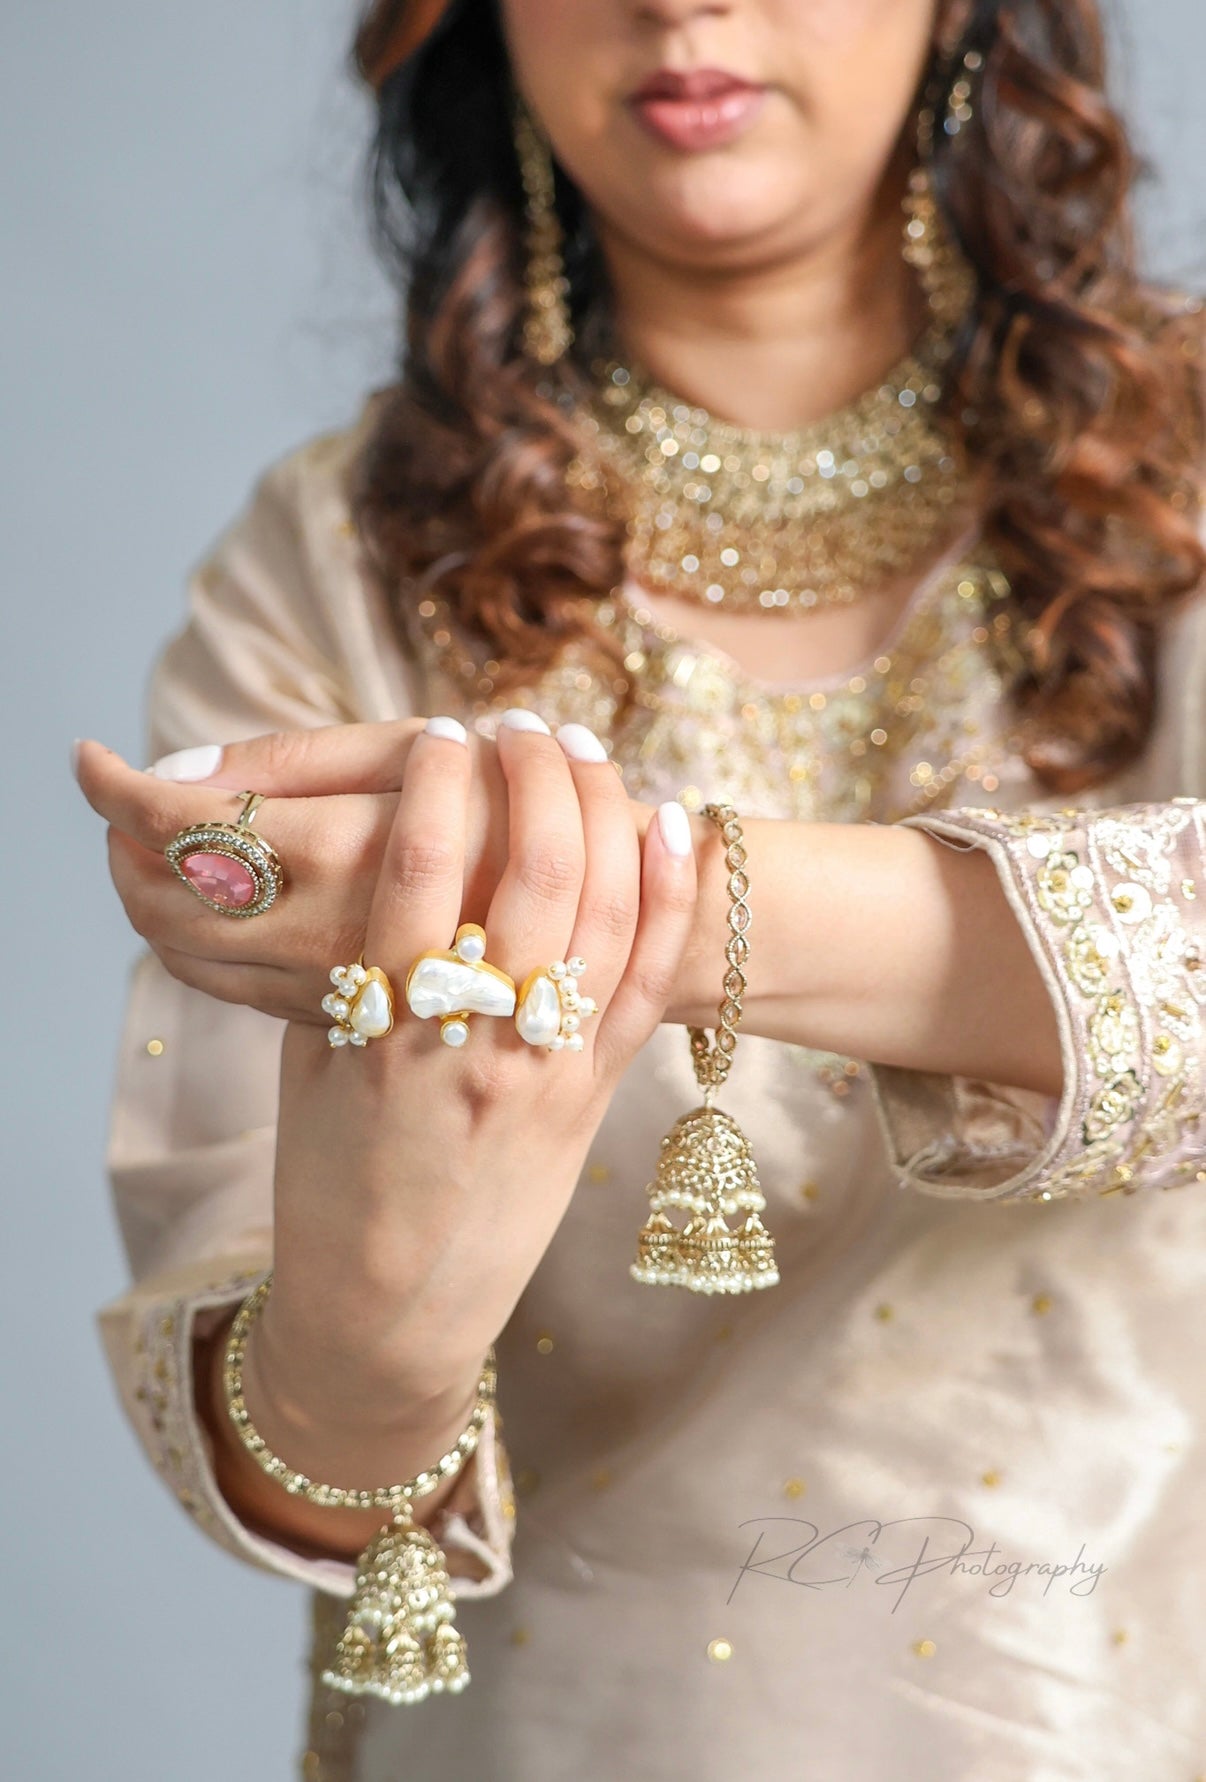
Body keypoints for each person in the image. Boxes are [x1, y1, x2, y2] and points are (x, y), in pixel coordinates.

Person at [74, 0, 1206, 1774]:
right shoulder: (335, 560)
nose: (681, 4)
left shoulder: (1181, 458)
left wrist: (625, 908)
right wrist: (366, 1360)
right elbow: (264, 1429)